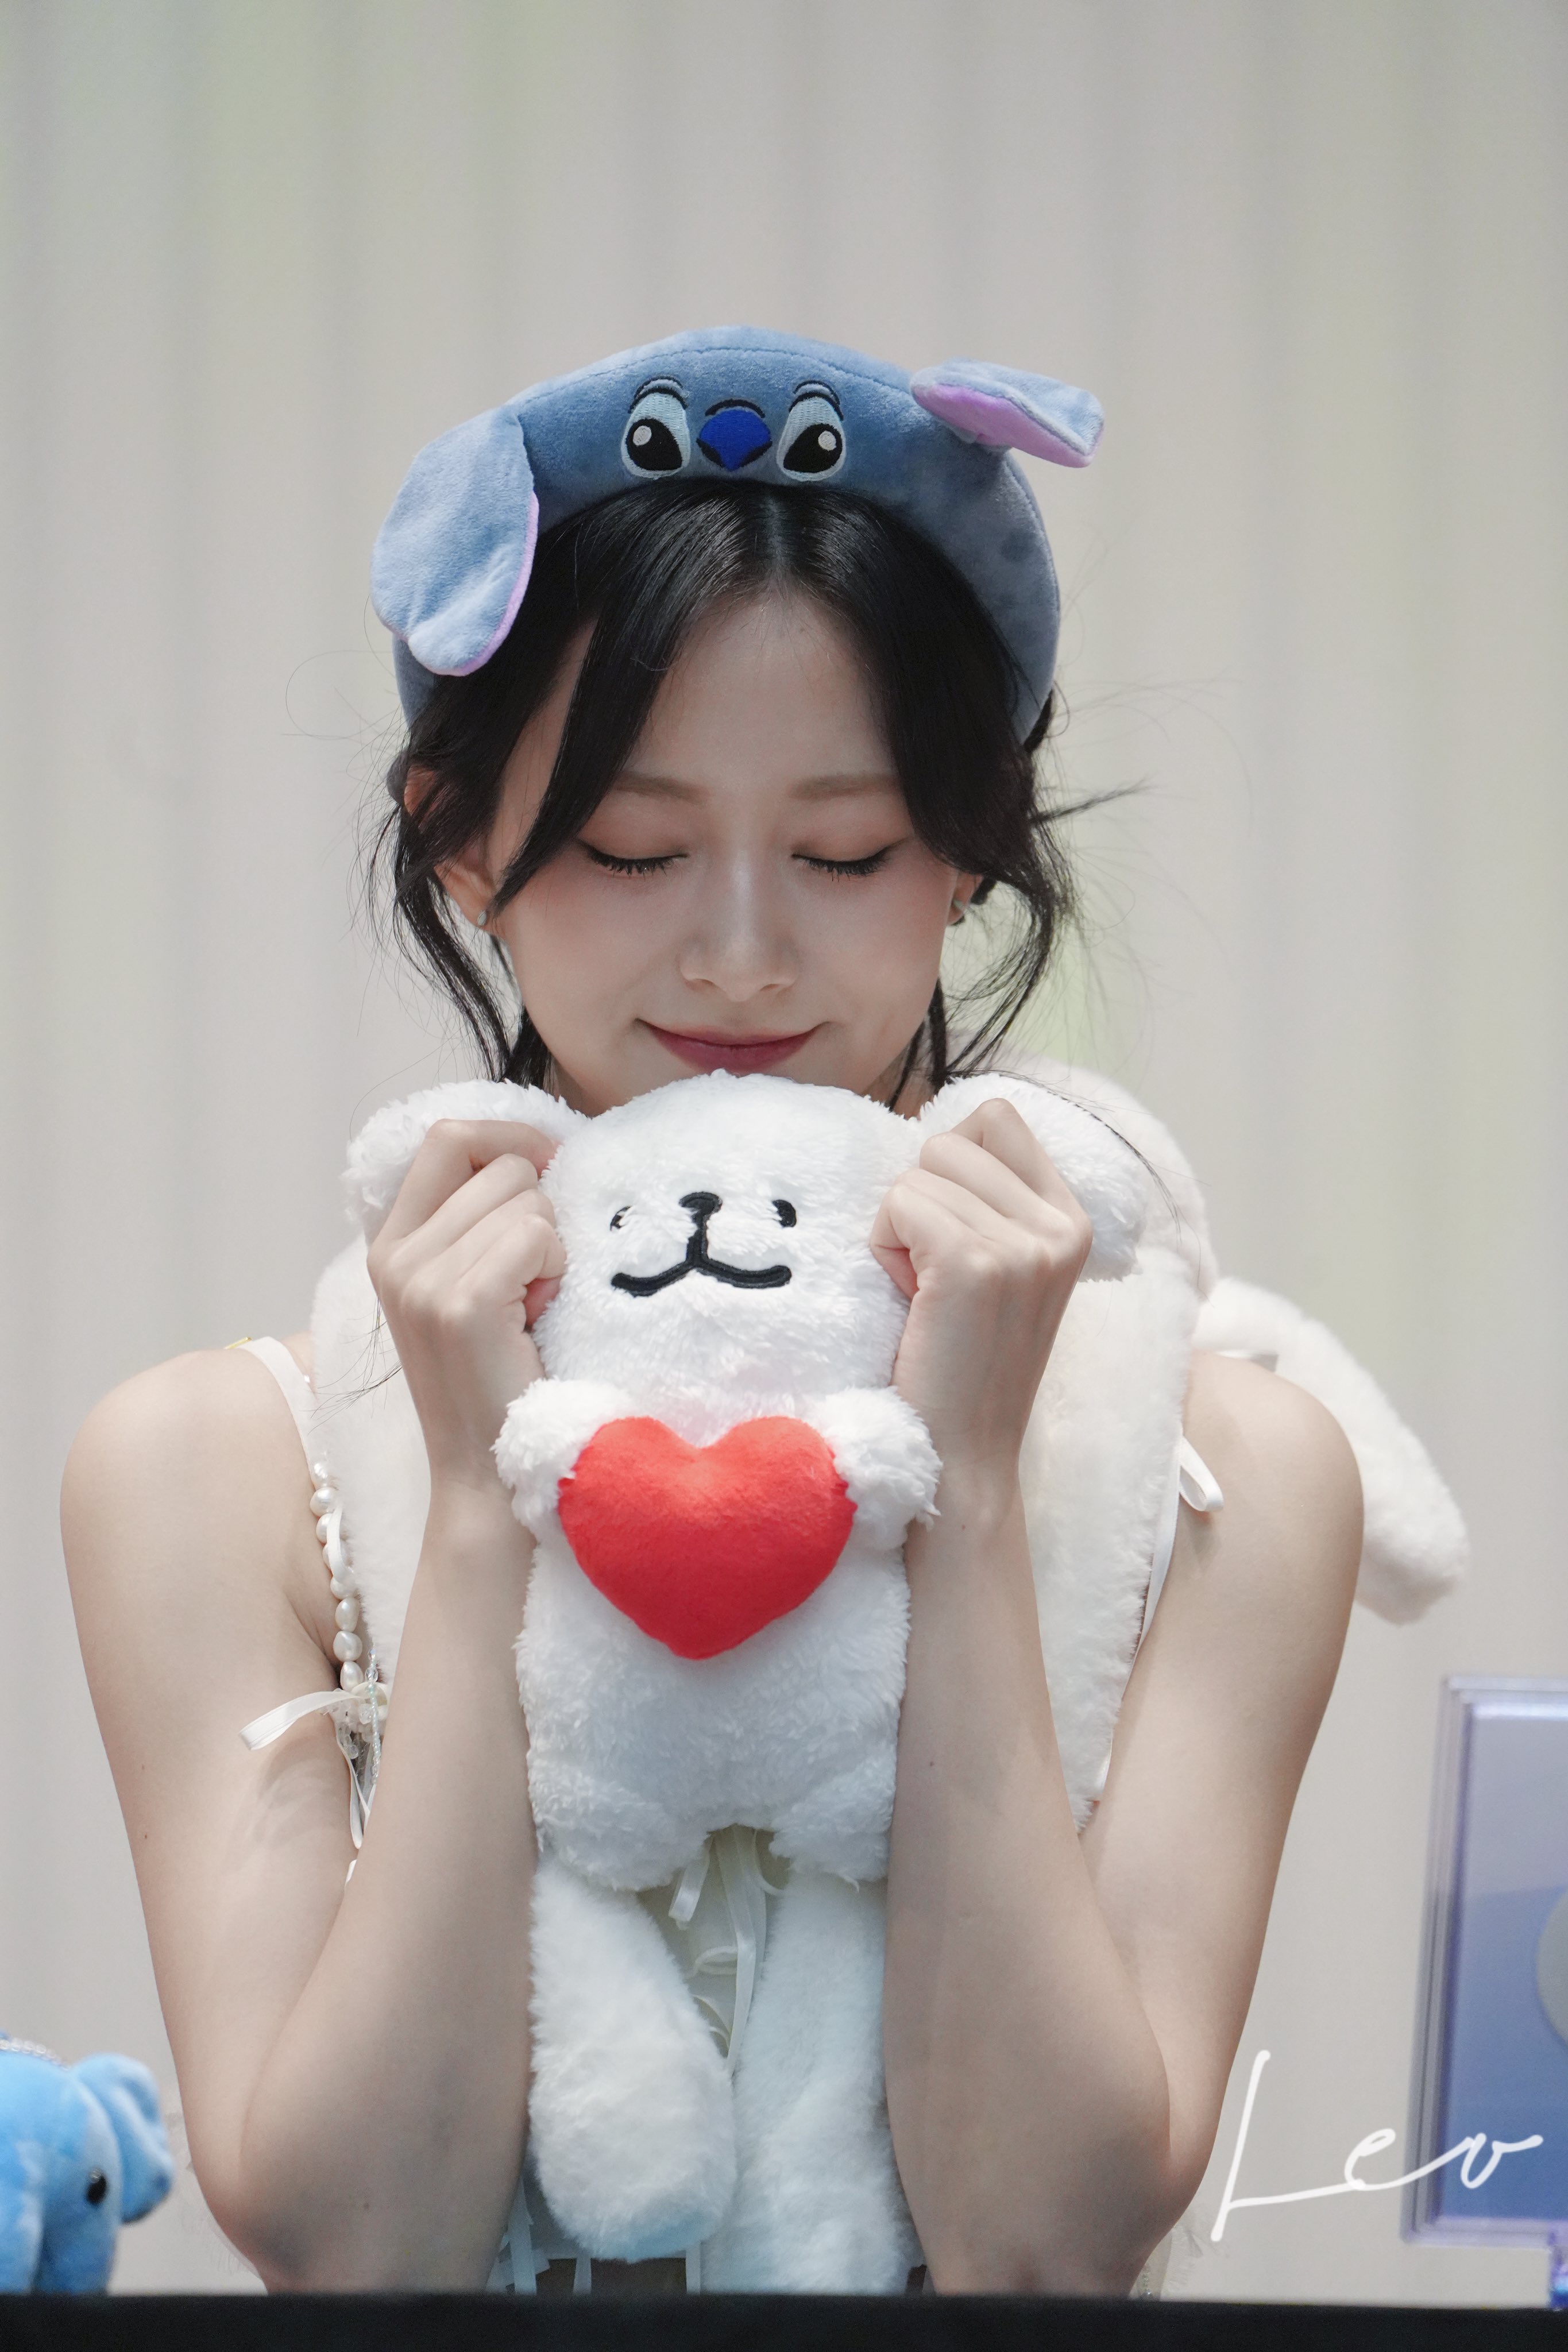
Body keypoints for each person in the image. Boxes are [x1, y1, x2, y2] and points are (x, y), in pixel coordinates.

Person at [59, 331, 1455, 2297]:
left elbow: (1038, 2243)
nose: (737, 953)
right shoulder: (212, 1466)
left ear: (972, 847)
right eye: (631, 850)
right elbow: (358, 2244)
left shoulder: (1225, 1469)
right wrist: (474, 1500)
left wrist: (966, 1484)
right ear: (461, 844)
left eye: (842, 851)